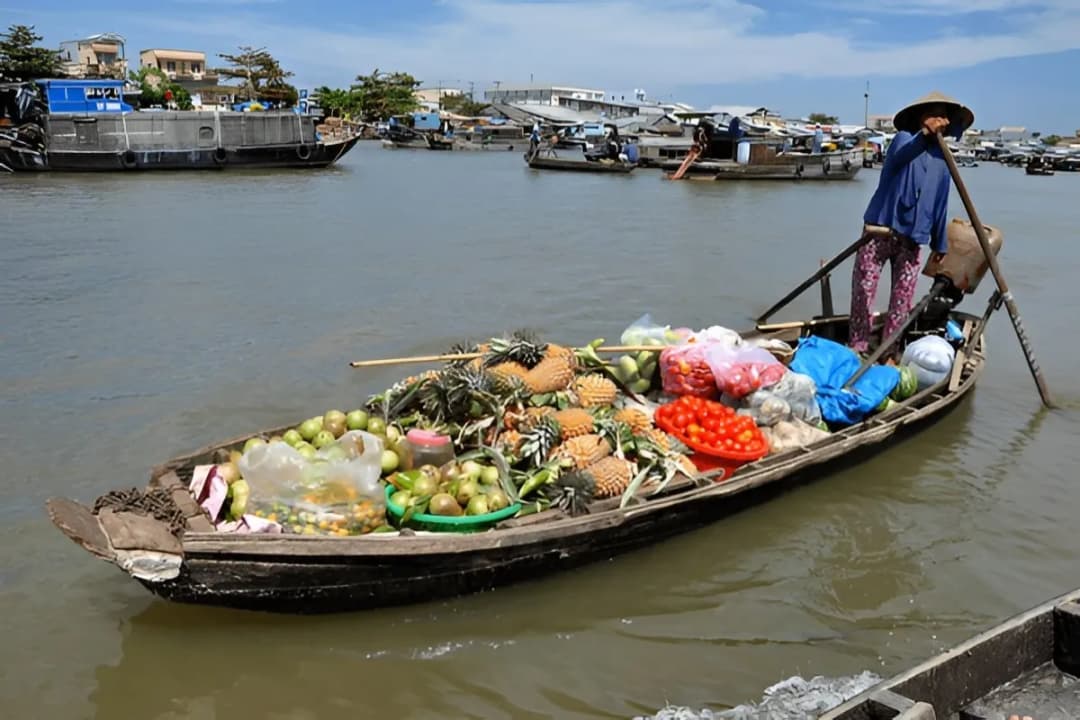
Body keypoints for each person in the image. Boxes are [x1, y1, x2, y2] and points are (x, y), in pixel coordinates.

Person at [848, 91, 975, 357]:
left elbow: (940, 203)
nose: (939, 121)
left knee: (902, 299)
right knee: (863, 289)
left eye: (943, 116)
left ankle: (890, 349)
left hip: (912, 239)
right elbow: (903, 154)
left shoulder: (943, 159)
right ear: (921, 117)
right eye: (934, 114)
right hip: (879, 230)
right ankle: (857, 345)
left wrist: (939, 243)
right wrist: (925, 135)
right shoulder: (904, 140)